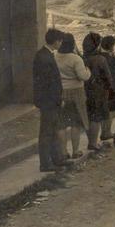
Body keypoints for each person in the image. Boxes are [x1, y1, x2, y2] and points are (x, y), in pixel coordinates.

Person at [33, 29, 71, 172]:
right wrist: (57, 99)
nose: (61, 43)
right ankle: (46, 163)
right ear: (55, 41)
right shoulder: (44, 57)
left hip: (50, 100)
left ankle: (57, 159)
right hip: (48, 101)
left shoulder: (45, 55)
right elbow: (48, 83)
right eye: (60, 40)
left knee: (53, 130)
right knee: (47, 132)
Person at [55, 33, 91, 159]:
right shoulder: (76, 59)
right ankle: (75, 150)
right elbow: (83, 76)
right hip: (76, 92)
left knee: (61, 124)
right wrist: (88, 71)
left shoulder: (55, 55)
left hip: (60, 92)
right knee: (76, 123)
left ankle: (63, 152)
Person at [82, 32, 113, 150]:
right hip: (99, 91)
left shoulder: (83, 58)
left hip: (86, 90)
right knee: (96, 117)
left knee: (89, 116)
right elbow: (108, 77)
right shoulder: (100, 59)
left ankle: (91, 141)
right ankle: (93, 143)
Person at [101, 36, 115, 141]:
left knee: (106, 109)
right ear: (110, 46)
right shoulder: (110, 57)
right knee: (109, 110)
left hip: (105, 86)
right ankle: (107, 132)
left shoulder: (101, 56)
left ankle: (105, 131)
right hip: (112, 86)